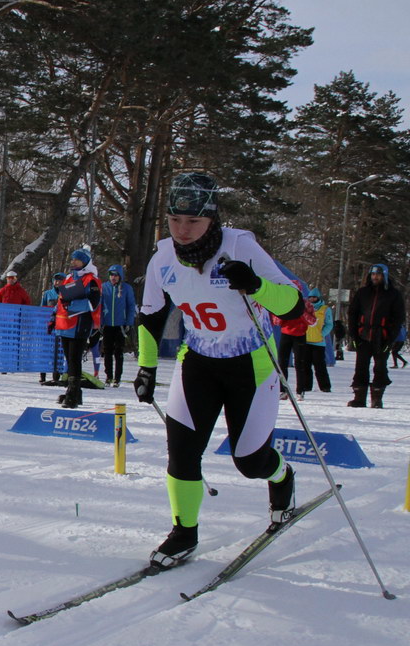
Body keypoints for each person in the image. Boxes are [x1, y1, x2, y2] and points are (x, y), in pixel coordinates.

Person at [133, 172, 304, 569]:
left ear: (212, 218)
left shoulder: (240, 246)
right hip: (198, 362)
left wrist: (256, 284)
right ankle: (184, 531)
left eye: (193, 222)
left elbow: (293, 305)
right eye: (175, 221)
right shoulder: (162, 259)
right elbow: (150, 318)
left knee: (250, 462)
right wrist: (144, 368)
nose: (183, 230)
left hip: (251, 363)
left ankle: (282, 477)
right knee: (182, 454)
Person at [346, 263, 405, 408]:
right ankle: (359, 398)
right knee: (361, 366)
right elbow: (353, 313)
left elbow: (398, 318)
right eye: (373, 274)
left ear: (384, 276)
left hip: (382, 337)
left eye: (378, 274)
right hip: (363, 335)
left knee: (380, 367)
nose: (375, 277)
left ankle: (377, 398)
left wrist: (390, 338)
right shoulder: (363, 293)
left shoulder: (393, 294)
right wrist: (353, 335)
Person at [51, 249, 101, 408]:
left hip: (80, 322)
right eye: (72, 259)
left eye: (77, 260)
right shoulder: (68, 278)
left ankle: (72, 392)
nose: (73, 262)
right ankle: (75, 392)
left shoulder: (91, 280)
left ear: (85, 262)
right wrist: (53, 317)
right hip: (65, 324)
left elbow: (94, 302)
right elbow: (61, 300)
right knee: (68, 357)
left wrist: (73, 304)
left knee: (74, 358)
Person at [273, 292, 315, 401]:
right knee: (282, 362)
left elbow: (313, 321)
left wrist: (301, 312)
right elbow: (276, 320)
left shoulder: (306, 304)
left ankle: (300, 391)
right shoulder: (284, 301)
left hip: (300, 335)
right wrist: (285, 313)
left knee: (299, 364)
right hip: (286, 334)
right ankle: (283, 390)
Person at [100, 264, 136, 387]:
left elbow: (131, 306)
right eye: (111, 275)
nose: (113, 277)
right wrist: (99, 321)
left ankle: (117, 377)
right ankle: (108, 376)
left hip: (121, 325)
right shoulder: (104, 287)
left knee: (118, 351)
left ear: (120, 276)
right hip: (107, 324)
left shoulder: (126, 288)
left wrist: (129, 322)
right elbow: (99, 306)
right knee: (107, 351)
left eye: (115, 275)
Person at [300, 288, 333, 393]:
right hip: (306, 341)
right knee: (305, 365)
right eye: (310, 297)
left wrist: (321, 334)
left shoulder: (324, 309)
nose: (312, 299)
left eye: (314, 297)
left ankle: (325, 386)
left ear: (318, 298)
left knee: (320, 366)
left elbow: (329, 324)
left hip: (319, 342)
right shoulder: (305, 308)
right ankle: (306, 386)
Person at [39, 272, 64, 385]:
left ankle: (56, 375)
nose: (57, 282)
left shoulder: (66, 293)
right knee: (45, 351)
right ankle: (43, 376)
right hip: (48, 325)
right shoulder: (48, 294)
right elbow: (42, 309)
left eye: (59, 280)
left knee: (59, 351)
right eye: (55, 280)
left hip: (61, 326)